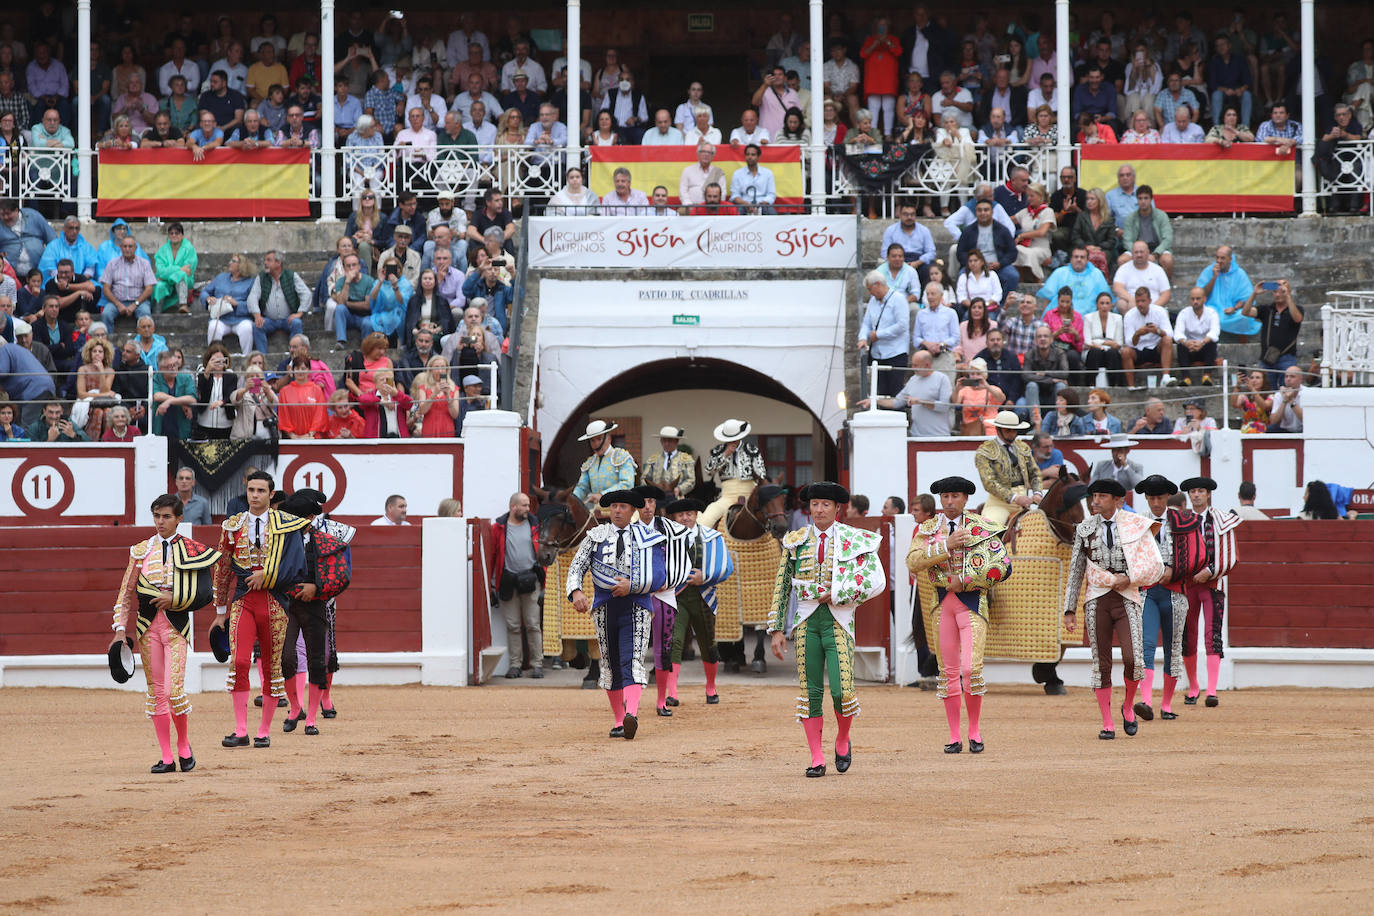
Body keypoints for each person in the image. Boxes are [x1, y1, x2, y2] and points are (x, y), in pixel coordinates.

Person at [768, 481, 885, 776]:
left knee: (843, 691)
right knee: (811, 692)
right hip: (807, 622)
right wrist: (776, 629)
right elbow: (782, 585)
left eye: (825, 505)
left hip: (839, 621)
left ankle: (843, 738)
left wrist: (838, 591)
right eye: (815, 504)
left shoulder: (853, 539)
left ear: (837, 508)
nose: (819, 510)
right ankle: (817, 757)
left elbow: (875, 580)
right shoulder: (795, 540)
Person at [110, 493, 222, 773]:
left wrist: (175, 599)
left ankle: (183, 744)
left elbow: (204, 593)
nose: (161, 522)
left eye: (167, 516)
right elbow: (125, 595)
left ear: (179, 519)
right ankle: (167, 756)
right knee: (156, 693)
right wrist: (120, 630)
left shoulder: (191, 548)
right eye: (157, 516)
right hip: (148, 630)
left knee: (173, 692)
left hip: (176, 629)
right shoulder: (140, 551)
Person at [567, 489, 689, 739]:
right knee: (610, 662)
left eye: (623, 507)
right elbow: (576, 567)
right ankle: (618, 721)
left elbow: (658, 575)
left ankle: (630, 713)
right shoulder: (595, 536)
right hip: (604, 607)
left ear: (632, 511)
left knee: (632, 659)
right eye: (614, 507)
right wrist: (576, 592)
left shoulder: (649, 537)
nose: (617, 511)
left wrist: (630, 586)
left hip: (637, 606)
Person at [906, 476, 1009, 753]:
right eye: (945, 497)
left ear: (965, 499)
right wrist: (945, 546)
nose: (949, 502)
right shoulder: (928, 529)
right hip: (942, 605)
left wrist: (965, 581)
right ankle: (954, 735)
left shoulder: (983, 528)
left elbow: (1002, 566)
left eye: (955, 496)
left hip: (973, 603)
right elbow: (913, 562)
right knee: (948, 672)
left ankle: (974, 730)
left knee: (970, 669)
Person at [211, 470, 314, 747]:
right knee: (240, 662)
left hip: (274, 601)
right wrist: (220, 609)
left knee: (271, 667)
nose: (254, 495)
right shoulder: (232, 525)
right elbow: (222, 568)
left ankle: (264, 731)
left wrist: (265, 578)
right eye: (251, 490)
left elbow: (295, 566)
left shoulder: (287, 525)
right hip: (243, 599)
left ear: (271, 495)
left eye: (260, 491)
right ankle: (241, 730)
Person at [1063, 479, 1164, 739]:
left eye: (1102, 497)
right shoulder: (1084, 528)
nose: (1095, 501)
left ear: (1117, 500)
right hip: (1097, 600)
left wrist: (1129, 578)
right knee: (1102, 663)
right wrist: (1069, 608)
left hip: (1127, 597)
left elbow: (1153, 564)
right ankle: (1107, 722)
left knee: (1133, 659)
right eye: (1094, 496)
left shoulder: (1134, 524)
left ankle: (1128, 706)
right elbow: (1076, 570)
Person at [274, 490, 353, 734]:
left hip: (316, 604)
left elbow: (341, 576)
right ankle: (296, 707)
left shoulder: (325, 541)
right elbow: (271, 573)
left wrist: (316, 588)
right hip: (287, 606)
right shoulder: (279, 541)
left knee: (317, 660)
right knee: (286, 658)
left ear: (308, 518)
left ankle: (311, 720)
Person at [662, 497, 735, 708]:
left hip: (704, 596)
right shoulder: (666, 539)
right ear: (674, 518)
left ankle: (711, 687)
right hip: (676, 597)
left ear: (696, 515)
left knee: (708, 643)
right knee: (674, 642)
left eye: (690, 514)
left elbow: (726, 567)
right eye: (681, 515)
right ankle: (672, 692)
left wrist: (706, 576)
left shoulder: (713, 537)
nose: (686, 517)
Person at [1177, 477, 1242, 706]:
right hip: (1188, 586)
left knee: (1212, 636)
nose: (1196, 495)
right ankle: (1194, 687)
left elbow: (1230, 556)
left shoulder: (1221, 521)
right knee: (1188, 636)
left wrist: (1209, 571)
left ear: (1208, 494)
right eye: (1193, 491)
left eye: (1200, 491)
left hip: (1212, 585)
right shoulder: (1181, 521)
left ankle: (1211, 690)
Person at [1133, 475, 1192, 723]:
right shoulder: (1138, 523)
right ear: (1146, 498)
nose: (1156, 502)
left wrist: (1174, 571)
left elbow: (1192, 556)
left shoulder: (1182, 521)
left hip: (1175, 592)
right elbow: (1131, 558)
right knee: (1146, 645)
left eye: (1159, 497)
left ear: (1167, 497)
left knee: (1173, 648)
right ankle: (1146, 701)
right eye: (1151, 498)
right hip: (1148, 590)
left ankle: (1166, 704)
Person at [490, 492, 544, 679]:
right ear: (513, 507)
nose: (528, 509)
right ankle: (515, 664)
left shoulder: (535, 524)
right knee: (513, 625)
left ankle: (537, 664)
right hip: (508, 580)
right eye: (524, 505)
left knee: (532, 624)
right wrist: (491, 583)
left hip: (531, 579)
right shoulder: (498, 527)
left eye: (528, 505)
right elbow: (492, 555)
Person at [856, 350, 952, 437]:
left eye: (916, 365)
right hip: (916, 435)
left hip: (939, 435)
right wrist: (874, 401)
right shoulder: (913, 380)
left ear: (927, 365)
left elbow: (944, 406)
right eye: (912, 365)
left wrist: (921, 402)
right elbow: (896, 402)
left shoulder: (942, 379)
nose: (913, 368)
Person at [973, 410, 1041, 525]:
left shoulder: (1022, 447)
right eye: (1007, 430)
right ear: (998, 429)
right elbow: (989, 483)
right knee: (991, 529)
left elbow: (1034, 473)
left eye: (1014, 430)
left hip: (1025, 502)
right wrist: (1015, 498)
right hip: (999, 504)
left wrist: (1037, 493)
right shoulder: (985, 451)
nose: (1012, 433)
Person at [700, 418, 769, 531]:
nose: (732, 441)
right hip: (727, 496)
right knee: (706, 519)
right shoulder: (719, 450)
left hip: (750, 496)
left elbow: (761, 474)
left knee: (771, 518)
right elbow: (709, 470)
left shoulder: (752, 449)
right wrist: (725, 455)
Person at [1240, 278, 1304, 388]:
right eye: (1275, 291)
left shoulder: (1296, 308)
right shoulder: (1267, 309)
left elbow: (1297, 318)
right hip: (1267, 357)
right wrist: (1254, 294)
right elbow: (1245, 312)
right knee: (1267, 390)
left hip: (1287, 357)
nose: (1278, 294)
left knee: (1289, 389)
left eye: (1281, 291)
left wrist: (1288, 296)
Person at [857, 271, 909, 398]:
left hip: (895, 352)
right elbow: (866, 323)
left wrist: (879, 334)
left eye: (870, 289)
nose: (870, 293)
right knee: (880, 392)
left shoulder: (898, 299)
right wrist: (862, 338)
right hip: (878, 354)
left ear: (878, 285)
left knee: (895, 393)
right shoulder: (873, 301)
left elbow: (902, 325)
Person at [1199, 245, 1259, 336]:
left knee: (1244, 317)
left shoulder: (1240, 274)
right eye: (1217, 258)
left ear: (1230, 259)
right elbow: (1201, 295)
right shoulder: (1208, 271)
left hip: (1232, 312)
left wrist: (1234, 308)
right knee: (1208, 316)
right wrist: (1214, 277)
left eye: (1222, 258)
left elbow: (1246, 300)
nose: (1219, 261)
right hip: (1212, 309)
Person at [1122, 286, 1176, 388]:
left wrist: (1157, 331)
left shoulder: (1160, 311)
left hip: (1156, 348)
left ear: (1150, 300)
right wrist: (1137, 334)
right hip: (1138, 350)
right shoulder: (1129, 315)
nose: (1140, 304)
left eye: (1143, 301)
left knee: (1167, 340)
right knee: (1125, 351)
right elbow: (1128, 342)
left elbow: (1170, 334)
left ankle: (1165, 377)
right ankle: (1131, 386)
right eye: (1137, 301)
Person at [1036, 246, 1111, 315]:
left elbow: (1105, 297)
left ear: (1087, 260)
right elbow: (1047, 297)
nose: (1079, 259)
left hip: (1089, 318)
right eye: (1076, 257)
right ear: (1071, 259)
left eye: (1082, 257)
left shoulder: (1096, 274)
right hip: (1060, 317)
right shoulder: (1059, 272)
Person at [1118, 186, 1174, 277]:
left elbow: (1167, 238)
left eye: (1146, 198)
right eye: (1140, 198)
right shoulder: (1130, 218)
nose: (1143, 201)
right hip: (1137, 249)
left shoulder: (1161, 215)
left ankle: (1166, 286)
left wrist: (1155, 254)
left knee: (1167, 260)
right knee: (1122, 260)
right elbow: (1127, 240)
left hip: (1157, 249)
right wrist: (1138, 253)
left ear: (1151, 199)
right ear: (1137, 200)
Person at [1173, 288, 1221, 385]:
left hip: (1205, 347)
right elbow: (1177, 333)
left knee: (1211, 342)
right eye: (1193, 299)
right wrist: (1186, 342)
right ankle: (1186, 378)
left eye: (1198, 299)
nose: (1195, 301)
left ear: (1204, 299)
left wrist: (1202, 343)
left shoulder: (1212, 313)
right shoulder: (1184, 313)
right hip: (1189, 348)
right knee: (1180, 344)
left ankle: (1207, 376)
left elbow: (1215, 332)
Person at [1112, 240, 1172, 314]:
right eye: (1136, 252)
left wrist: (1152, 307)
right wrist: (1133, 300)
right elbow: (1117, 288)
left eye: (1141, 252)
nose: (1139, 255)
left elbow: (1166, 293)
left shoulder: (1158, 270)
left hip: (1153, 305)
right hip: (1131, 305)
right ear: (1132, 254)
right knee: (1121, 303)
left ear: (1148, 253)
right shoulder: (1124, 268)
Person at [641, 425, 696, 499]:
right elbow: (644, 478)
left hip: (677, 498)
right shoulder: (653, 459)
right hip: (656, 498)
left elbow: (691, 480)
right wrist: (651, 491)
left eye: (670, 440)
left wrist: (679, 489)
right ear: (661, 441)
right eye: (664, 440)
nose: (666, 443)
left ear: (676, 441)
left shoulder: (685, 459)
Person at [728, 144, 777, 215]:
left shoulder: (768, 173)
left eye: (753, 155)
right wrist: (746, 204)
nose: (750, 157)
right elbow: (735, 195)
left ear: (758, 157)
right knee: (737, 212)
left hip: (762, 204)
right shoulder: (737, 174)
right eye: (747, 154)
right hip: (743, 205)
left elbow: (771, 195)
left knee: (772, 214)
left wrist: (759, 204)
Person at [1269, 365, 1305, 433]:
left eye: (1292, 376)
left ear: (1300, 380)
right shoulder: (1279, 395)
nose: (1288, 379)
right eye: (1286, 376)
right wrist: (1285, 400)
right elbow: (1273, 421)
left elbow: (1306, 419)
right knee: (1271, 428)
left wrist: (1291, 400)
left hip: (1304, 429)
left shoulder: (1307, 393)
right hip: (1285, 430)